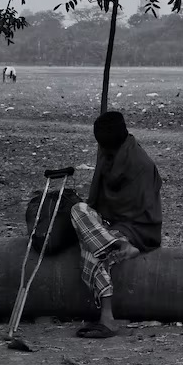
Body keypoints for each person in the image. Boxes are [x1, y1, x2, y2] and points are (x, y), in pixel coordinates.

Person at [71, 111, 162, 338]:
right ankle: (113, 244)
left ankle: (107, 318)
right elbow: (93, 202)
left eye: (107, 151)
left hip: (136, 229)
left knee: (92, 248)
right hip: (111, 231)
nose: (105, 155)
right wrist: (97, 223)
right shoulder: (105, 154)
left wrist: (117, 232)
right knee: (77, 210)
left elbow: (147, 217)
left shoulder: (142, 164)